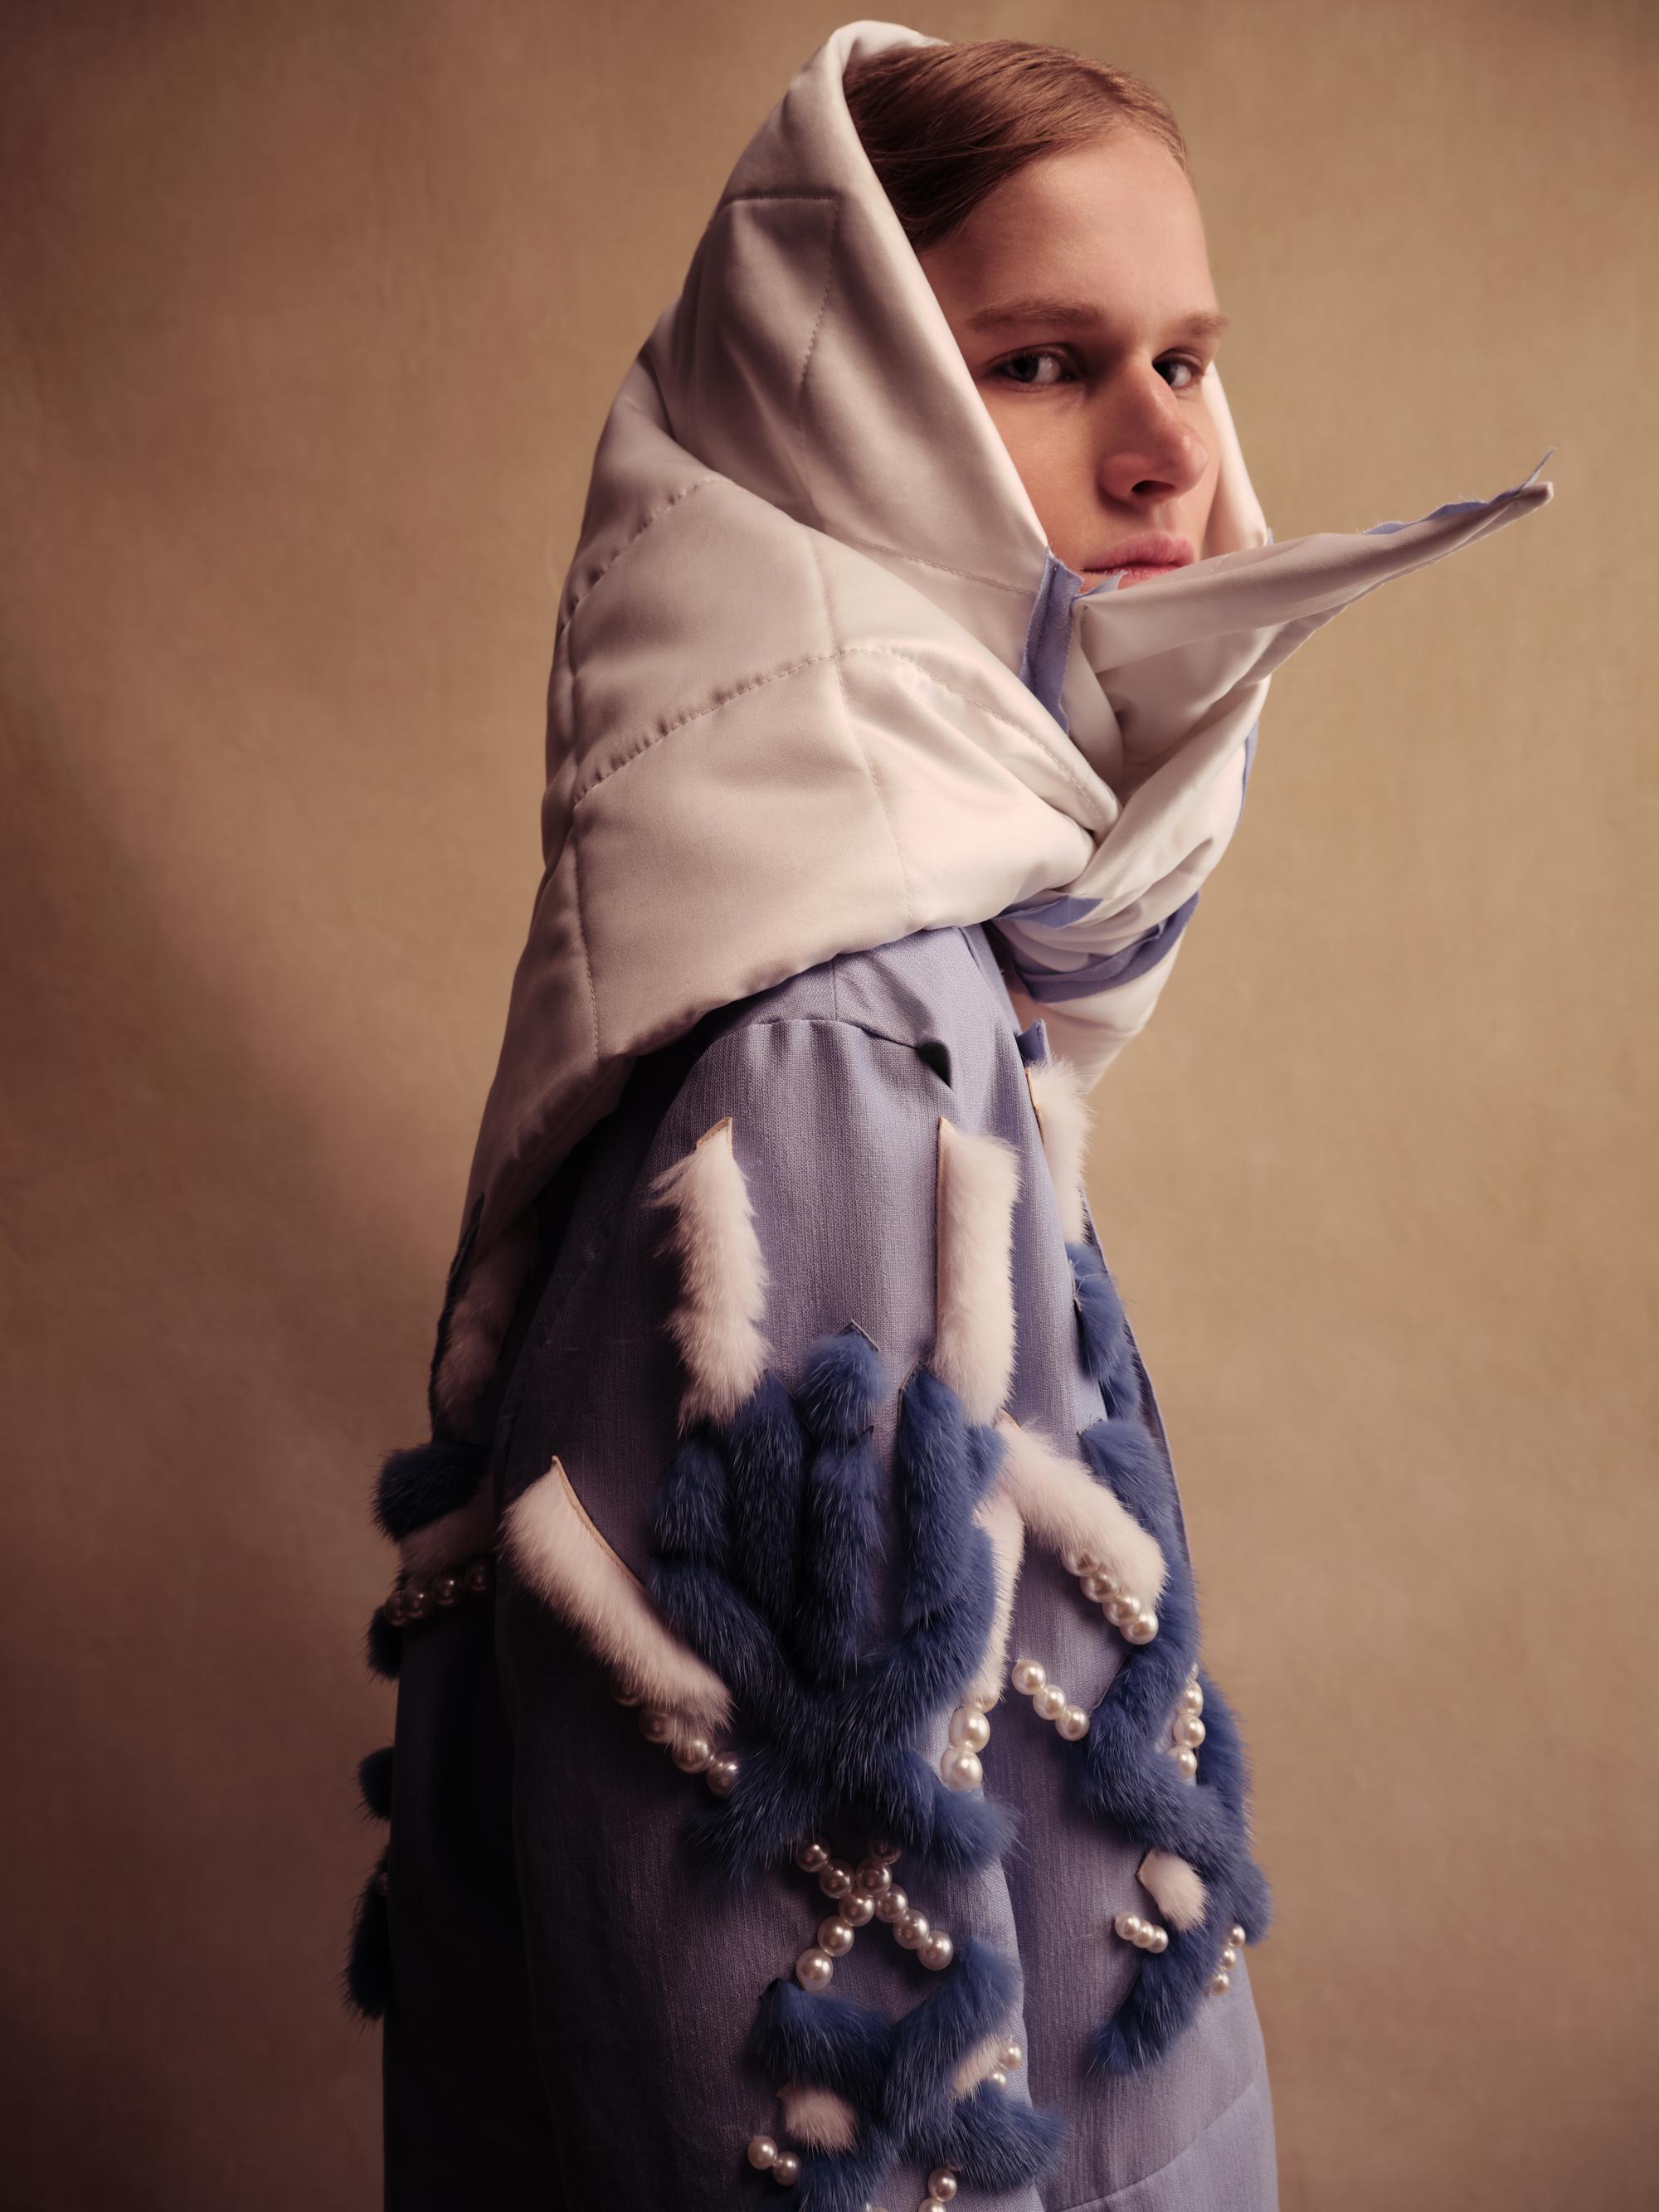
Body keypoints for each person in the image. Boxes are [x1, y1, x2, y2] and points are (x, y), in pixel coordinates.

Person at [345, 24, 1550, 2210]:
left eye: (1188, 359)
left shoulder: (907, 971)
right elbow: (783, 2030)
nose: (1168, 451)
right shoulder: (842, 1042)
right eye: (1043, 361)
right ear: (847, 412)